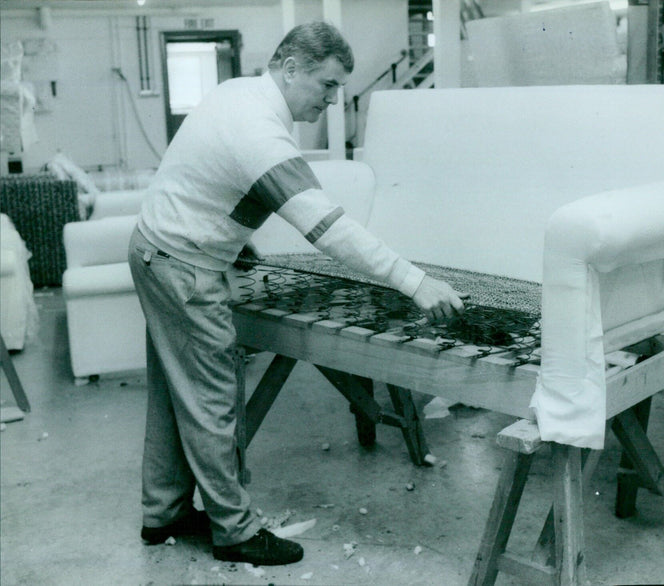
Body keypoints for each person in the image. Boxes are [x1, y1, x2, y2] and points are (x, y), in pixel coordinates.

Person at [129, 21, 465, 567]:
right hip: (184, 267)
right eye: (327, 85)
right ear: (290, 69)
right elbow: (327, 228)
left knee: (176, 392)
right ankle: (234, 531)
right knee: (213, 399)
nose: (332, 101)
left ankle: (163, 513)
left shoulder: (240, 94)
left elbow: (206, 180)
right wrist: (414, 281)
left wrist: (234, 244)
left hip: (159, 249)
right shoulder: (260, 129)